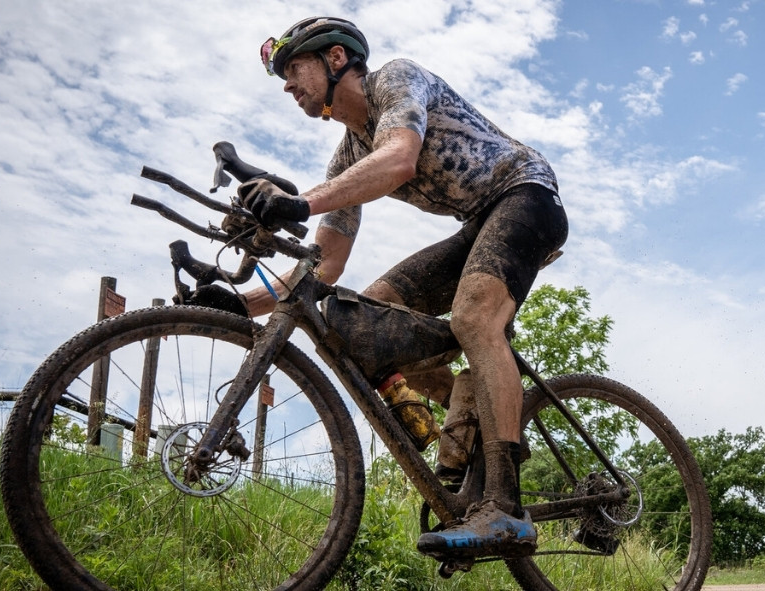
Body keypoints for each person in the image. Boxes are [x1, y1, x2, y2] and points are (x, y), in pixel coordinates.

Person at [241, 16, 568, 560]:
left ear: (336, 58)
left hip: (527, 195)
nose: (287, 85)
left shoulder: (395, 80)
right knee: (366, 317)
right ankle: (471, 404)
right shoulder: (348, 153)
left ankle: (506, 510)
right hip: (478, 222)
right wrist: (239, 303)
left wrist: (300, 202)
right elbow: (323, 268)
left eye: (293, 68)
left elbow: (399, 158)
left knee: (472, 318)